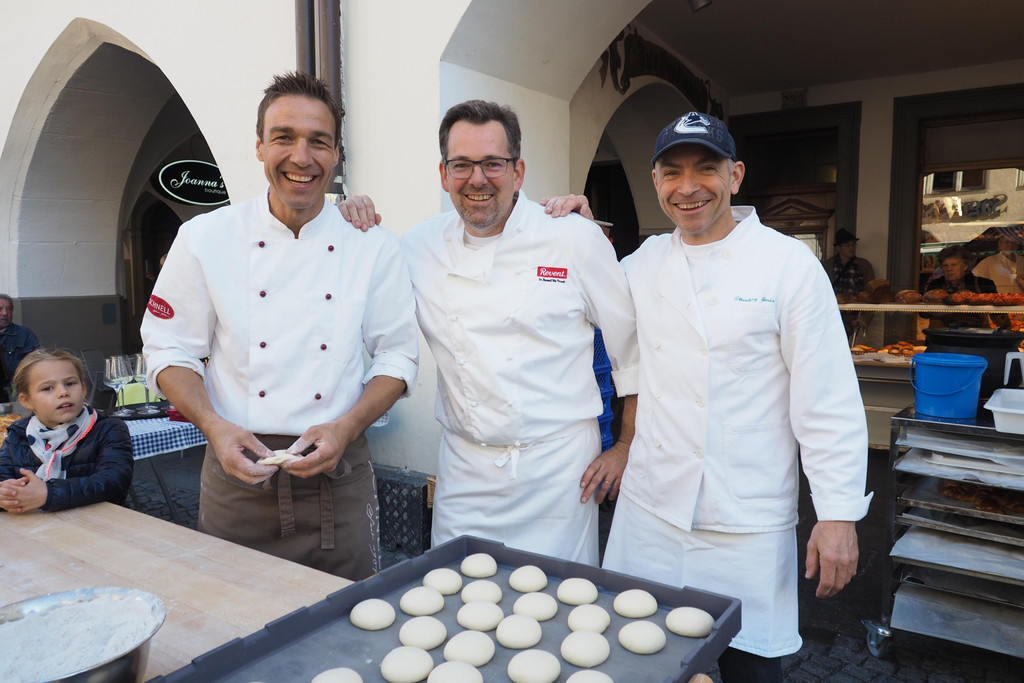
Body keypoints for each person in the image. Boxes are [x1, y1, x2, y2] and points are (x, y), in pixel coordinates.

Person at [550, 111, 872, 682]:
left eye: (706, 169)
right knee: (639, 659)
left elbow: (826, 401)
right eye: (672, 172)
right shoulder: (641, 264)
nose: (689, 186)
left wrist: (838, 514)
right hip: (652, 512)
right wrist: (576, 232)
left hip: (745, 519)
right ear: (656, 182)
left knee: (750, 667)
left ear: (735, 175)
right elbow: (595, 310)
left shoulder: (788, 265)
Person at [141, 72, 419, 580]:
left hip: (340, 477)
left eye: (319, 141)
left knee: (351, 616)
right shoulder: (204, 237)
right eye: (283, 137)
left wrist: (345, 428)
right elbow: (168, 350)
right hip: (236, 477)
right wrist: (215, 427)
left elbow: (397, 358)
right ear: (259, 146)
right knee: (231, 615)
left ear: (337, 154)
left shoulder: (373, 245)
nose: (301, 156)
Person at [341, 100, 639, 566]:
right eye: (462, 164)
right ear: (444, 175)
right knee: (457, 590)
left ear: (518, 171)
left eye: (493, 164)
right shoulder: (417, 246)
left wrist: (624, 447)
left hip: (559, 472)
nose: (477, 179)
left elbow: (632, 354)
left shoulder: (574, 239)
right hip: (464, 469)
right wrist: (342, 217)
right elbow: (353, 280)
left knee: (557, 599)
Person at [0, 348, 132, 513]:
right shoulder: (18, 434)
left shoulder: (108, 428)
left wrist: (49, 494)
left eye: (70, 383)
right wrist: (6, 494)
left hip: (101, 522)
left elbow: (114, 484)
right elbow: (3, 477)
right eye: (48, 388)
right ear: (26, 400)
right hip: (36, 525)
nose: (63, 392)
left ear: (83, 389)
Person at [924, 244, 999, 329]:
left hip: (976, 333)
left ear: (965, 266)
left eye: (954, 265)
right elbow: (923, 313)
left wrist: (1005, 330)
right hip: (941, 333)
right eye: (945, 265)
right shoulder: (935, 285)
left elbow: (997, 313)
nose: (949, 269)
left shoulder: (983, 284)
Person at [0, 294, 40, 401]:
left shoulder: (24, 334)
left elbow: (34, 365)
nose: (5, 313)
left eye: (9, 309)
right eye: (0, 309)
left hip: (16, 391)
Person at [821, 228, 874, 294]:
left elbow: (871, 290)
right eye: (846, 245)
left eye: (853, 244)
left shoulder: (864, 265)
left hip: (857, 300)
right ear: (838, 247)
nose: (851, 248)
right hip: (835, 300)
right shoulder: (828, 266)